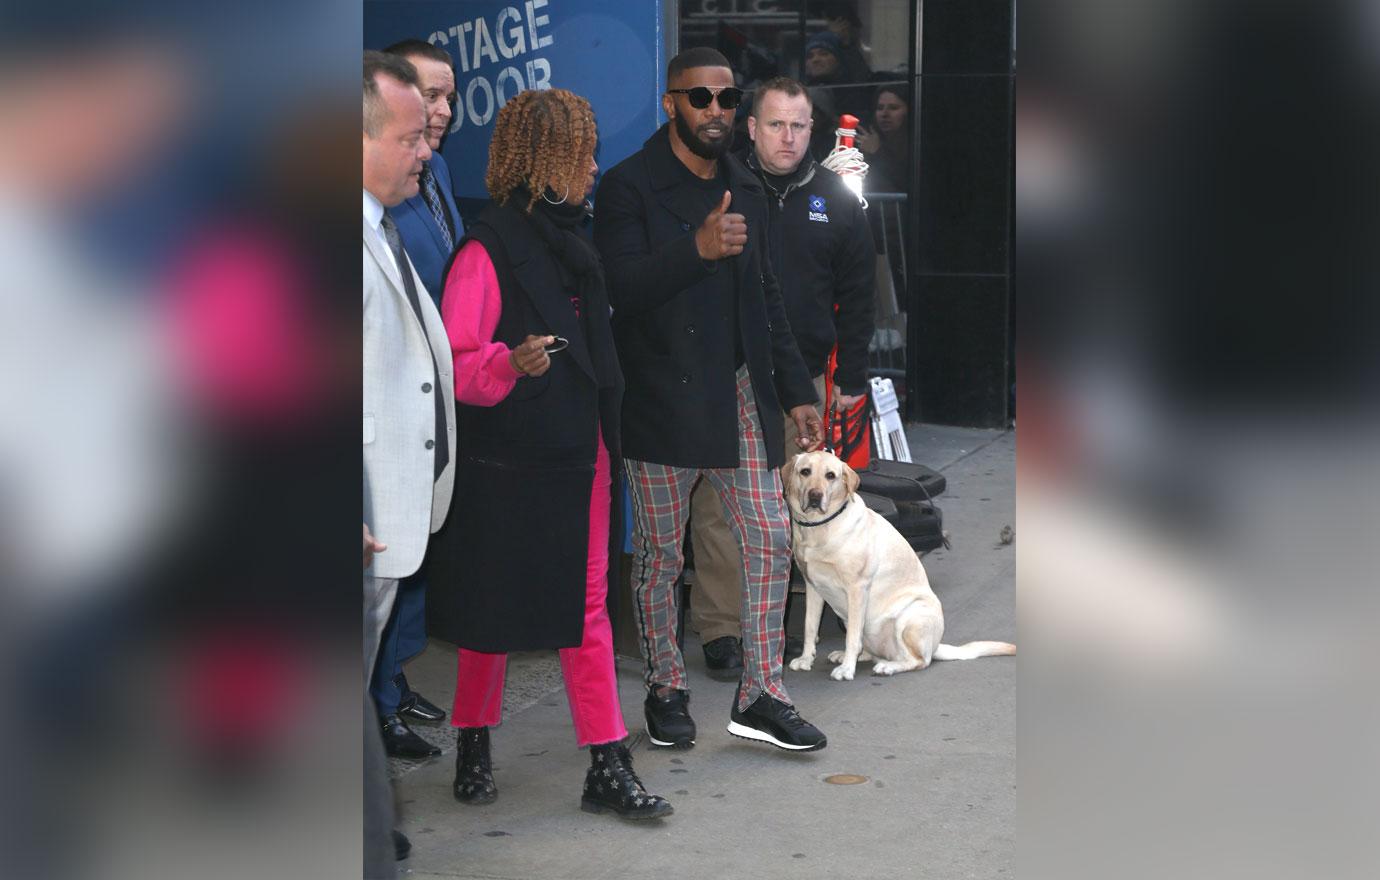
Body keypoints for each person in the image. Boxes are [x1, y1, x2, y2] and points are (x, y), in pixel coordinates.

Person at [426, 88, 672, 821]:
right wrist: (510, 362)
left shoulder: (579, 241)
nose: (595, 166)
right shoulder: (485, 248)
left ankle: (607, 761)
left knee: (586, 605)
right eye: (583, 153)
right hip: (511, 457)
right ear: (548, 161)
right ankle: (473, 739)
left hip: (584, 450)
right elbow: (456, 366)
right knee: (493, 605)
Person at [593, 47, 828, 753]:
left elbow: (766, 299)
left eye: (728, 100)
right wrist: (693, 249)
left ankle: (762, 692)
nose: (717, 113)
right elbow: (617, 293)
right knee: (661, 556)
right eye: (701, 99)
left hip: (737, 393)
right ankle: (666, 684)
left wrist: (795, 390)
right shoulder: (628, 187)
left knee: (769, 535)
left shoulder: (745, 185)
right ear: (671, 104)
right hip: (662, 396)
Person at [690, 76, 876, 675]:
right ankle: (721, 630)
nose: (788, 137)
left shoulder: (837, 199)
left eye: (799, 126)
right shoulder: (721, 188)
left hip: (808, 381)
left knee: (806, 495)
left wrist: (851, 373)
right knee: (720, 506)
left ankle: (796, 615)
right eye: (775, 124)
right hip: (730, 370)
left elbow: (860, 294)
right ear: (750, 127)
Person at [370, 37, 466, 760]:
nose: (430, 136)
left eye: (443, 99)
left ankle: (391, 690)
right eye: (410, 130)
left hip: (407, 465)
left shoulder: (411, 195)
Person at [801, 30, 871, 162]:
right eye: (810, 56)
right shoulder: (798, 93)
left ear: (838, 58)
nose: (816, 60)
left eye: (824, 54)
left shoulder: (854, 93)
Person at [856, 84, 911, 193]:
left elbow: (908, 181)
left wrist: (878, 152)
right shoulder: (867, 142)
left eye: (893, 108)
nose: (884, 114)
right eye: (880, 108)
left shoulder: (917, 144)